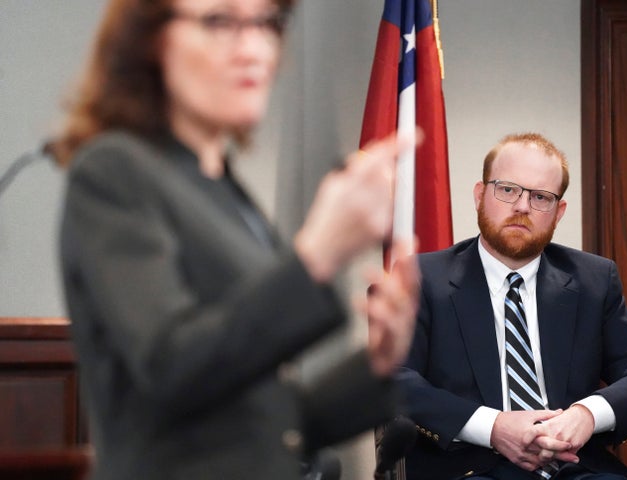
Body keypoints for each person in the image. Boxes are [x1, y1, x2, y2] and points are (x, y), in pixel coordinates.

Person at [51, 0, 420, 479]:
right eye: (221, 21)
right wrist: (316, 257)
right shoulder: (114, 173)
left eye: (267, 24)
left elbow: (272, 426)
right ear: (151, 40)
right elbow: (172, 367)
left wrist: (378, 364)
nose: (254, 49)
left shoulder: (225, 192)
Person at [397, 132, 627, 480]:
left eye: (540, 197)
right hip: (470, 469)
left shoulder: (593, 279)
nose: (522, 207)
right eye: (507, 189)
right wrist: (494, 426)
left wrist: (586, 414)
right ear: (480, 195)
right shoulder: (423, 278)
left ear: (558, 212)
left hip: (576, 468)